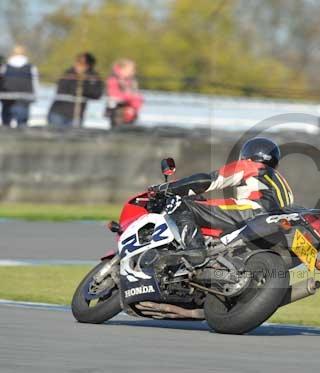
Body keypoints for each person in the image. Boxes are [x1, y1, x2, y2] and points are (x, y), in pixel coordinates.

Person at [149, 137, 293, 263]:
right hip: (275, 223)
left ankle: (195, 250)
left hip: (253, 212)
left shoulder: (249, 165)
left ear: (248, 155)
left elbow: (207, 180)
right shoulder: (283, 182)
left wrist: (166, 188)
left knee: (181, 204)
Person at [47, 52, 103, 128]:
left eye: (83, 64)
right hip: (59, 113)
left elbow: (97, 94)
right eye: (78, 62)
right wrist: (77, 85)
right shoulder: (68, 73)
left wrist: (83, 88)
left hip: (76, 115)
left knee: (72, 137)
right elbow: (61, 90)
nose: (79, 66)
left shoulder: (93, 77)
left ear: (89, 65)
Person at [0, 45, 38, 127]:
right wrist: (34, 97)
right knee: (22, 129)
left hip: (7, 101)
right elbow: (35, 83)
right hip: (24, 101)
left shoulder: (5, 67)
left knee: (5, 128)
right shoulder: (31, 67)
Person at [105, 59, 143, 127]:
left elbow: (137, 96)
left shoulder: (132, 81)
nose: (133, 72)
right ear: (122, 69)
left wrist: (134, 107)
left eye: (133, 70)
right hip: (117, 110)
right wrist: (131, 98)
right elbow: (113, 95)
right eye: (131, 70)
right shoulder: (113, 79)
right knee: (117, 129)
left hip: (131, 111)